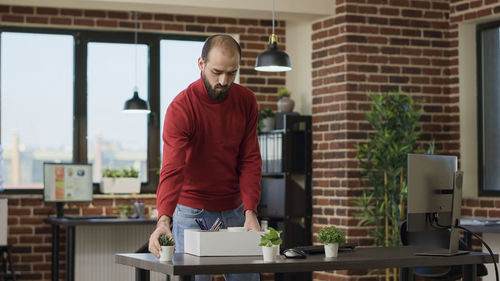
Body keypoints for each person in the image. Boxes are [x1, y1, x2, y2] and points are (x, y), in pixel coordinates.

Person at [148, 34, 262, 281]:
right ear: (201, 64)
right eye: (217, 71)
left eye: (232, 73)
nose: (224, 80)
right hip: (192, 211)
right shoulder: (181, 108)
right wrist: (163, 220)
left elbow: (250, 159)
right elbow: (172, 168)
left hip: (236, 210)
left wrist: (251, 211)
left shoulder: (246, 101)